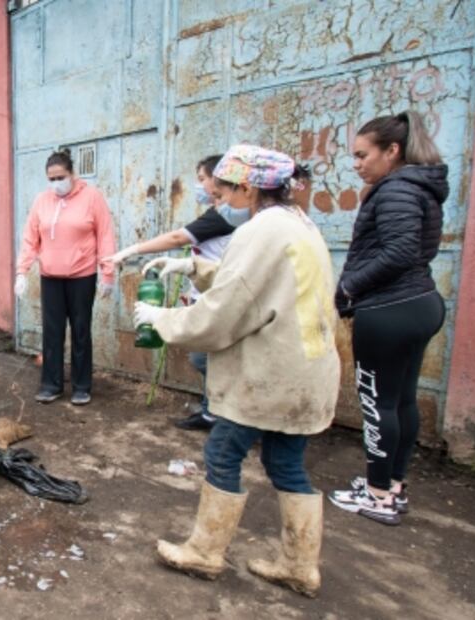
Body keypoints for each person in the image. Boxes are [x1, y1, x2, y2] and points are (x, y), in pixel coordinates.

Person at [134, 145, 338, 597]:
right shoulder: (297, 223)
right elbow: (252, 282)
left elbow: (224, 312)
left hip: (270, 373)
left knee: (223, 453)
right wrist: (192, 265)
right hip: (306, 372)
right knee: (286, 464)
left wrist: (162, 319)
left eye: (224, 191)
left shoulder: (261, 230)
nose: (221, 200)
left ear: (247, 188)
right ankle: (300, 566)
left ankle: (204, 553)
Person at [328, 111, 447, 526]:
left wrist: (349, 287)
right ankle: (391, 485)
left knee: (378, 403)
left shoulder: (396, 189)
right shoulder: (419, 186)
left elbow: (399, 252)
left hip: (389, 310)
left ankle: (378, 495)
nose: (357, 164)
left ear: (392, 151)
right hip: (419, 304)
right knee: (401, 400)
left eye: (363, 155)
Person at [107, 154, 253, 431]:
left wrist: (131, 250)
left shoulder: (225, 215)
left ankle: (228, 413)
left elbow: (177, 238)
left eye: (202, 179)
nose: (199, 185)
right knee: (205, 356)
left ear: (219, 180)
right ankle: (213, 410)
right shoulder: (221, 212)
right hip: (207, 286)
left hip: (220, 292)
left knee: (205, 357)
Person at [14, 149, 117, 406]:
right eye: (51, 179)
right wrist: (22, 271)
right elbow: (30, 238)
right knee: (52, 331)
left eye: (60, 177)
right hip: (51, 276)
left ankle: (82, 386)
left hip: (82, 275)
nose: (56, 183)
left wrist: (107, 273)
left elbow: (105, 235)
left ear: (72, 174)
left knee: (81, 330)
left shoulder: (92, 198)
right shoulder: (42, 201)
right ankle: (51, 384)